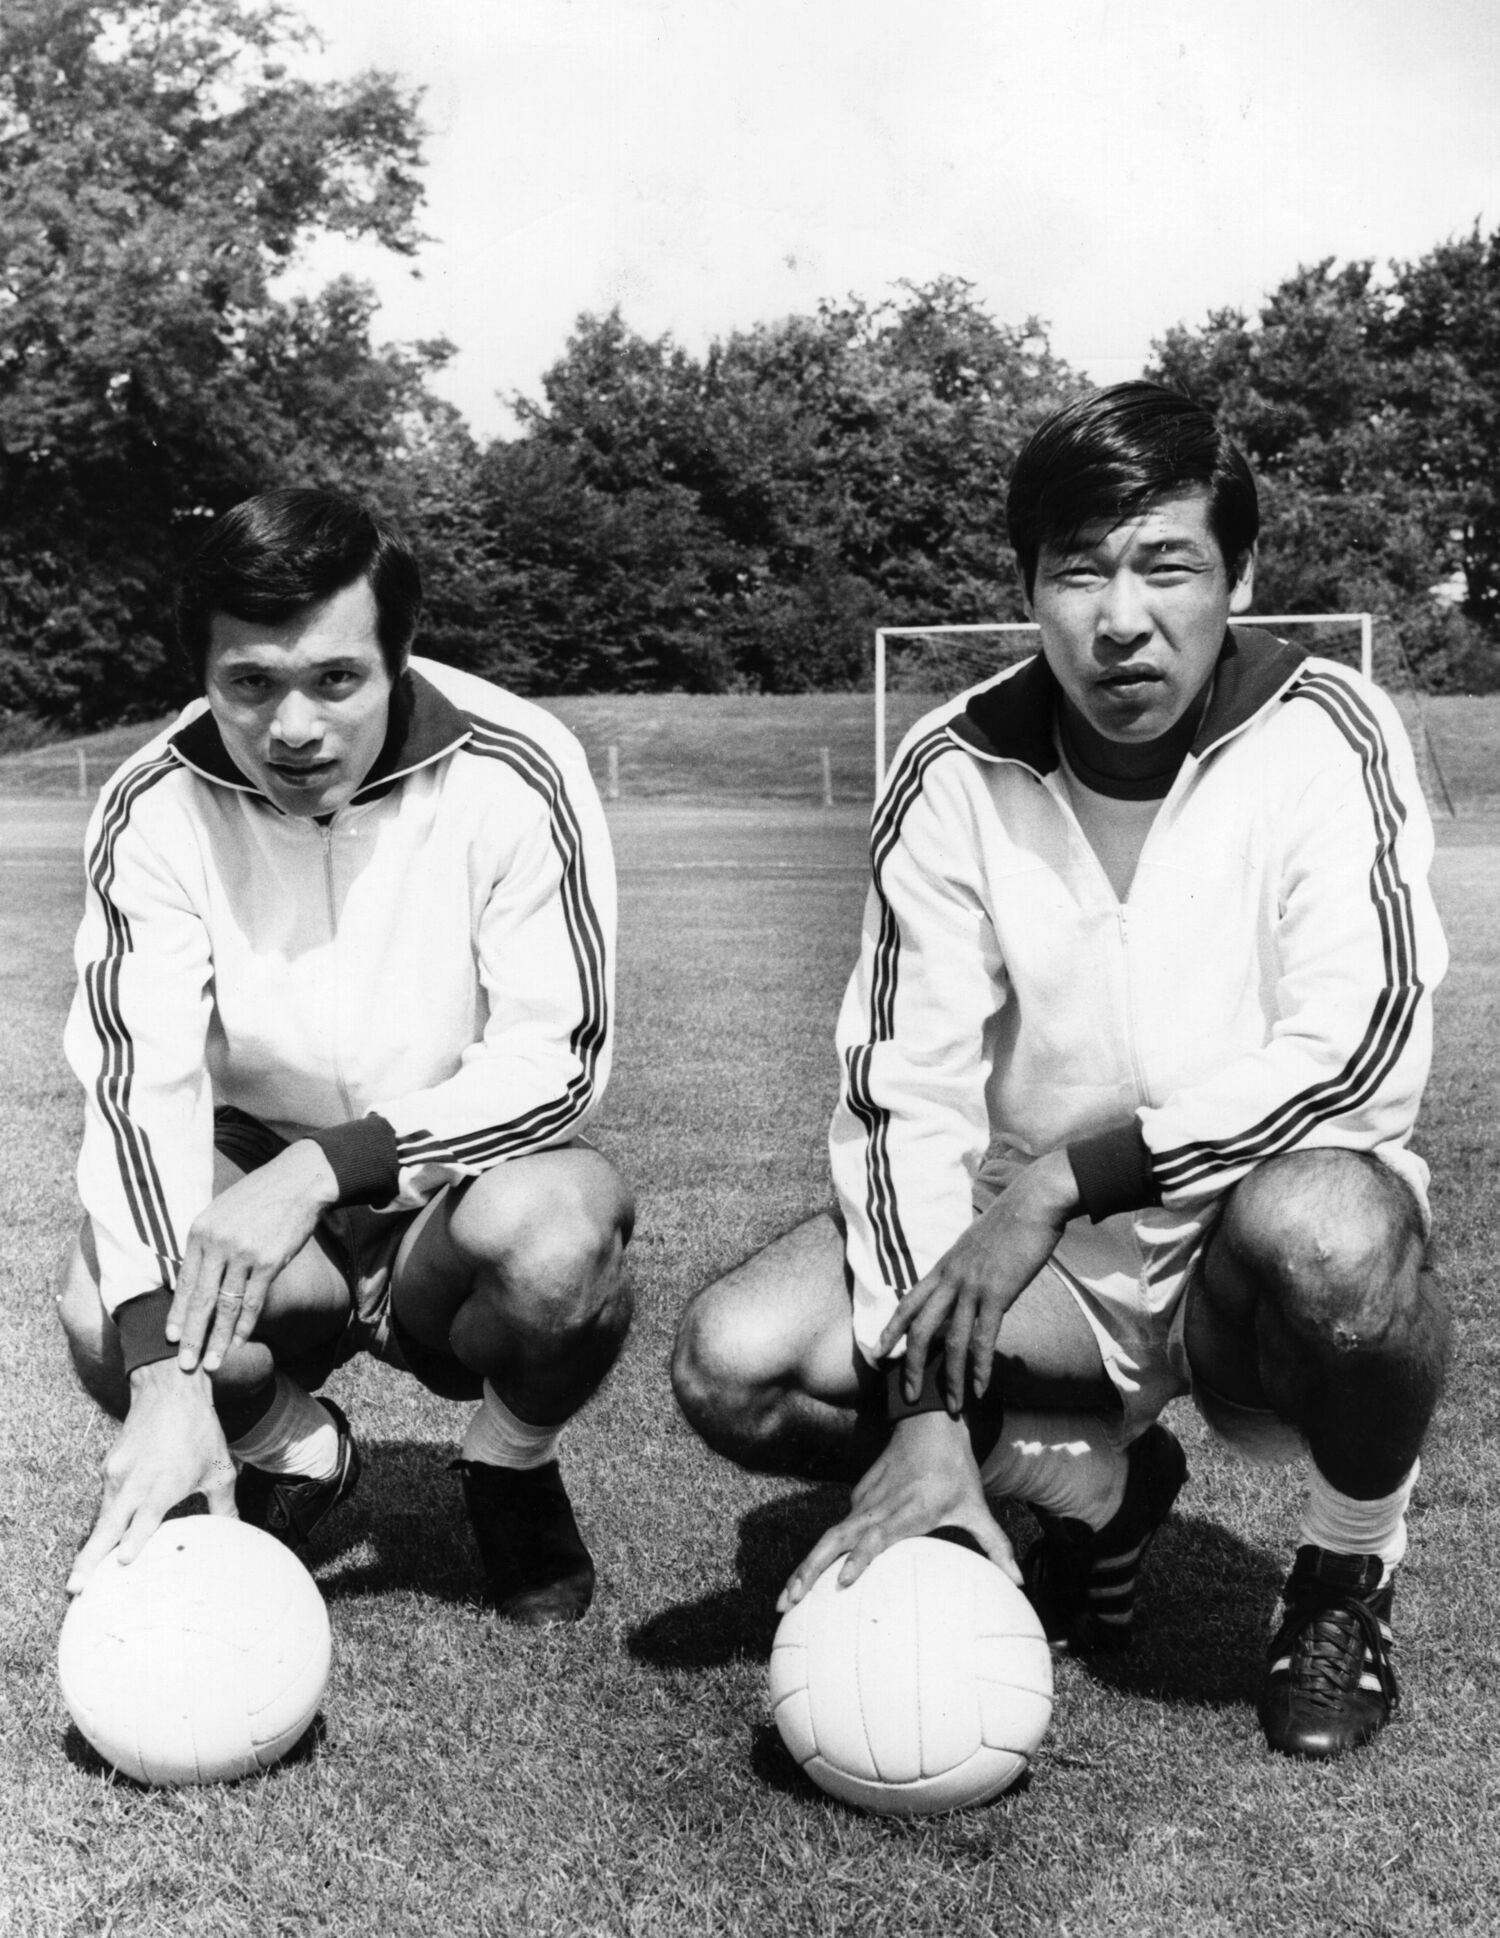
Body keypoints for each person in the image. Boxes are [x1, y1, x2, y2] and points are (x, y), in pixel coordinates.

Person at [672, 382, 1451, 1758]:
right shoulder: (952, 766)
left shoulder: (1332, 728)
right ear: (1029, 587)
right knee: (737, 1359)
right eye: (1077, 571)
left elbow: (1362, 1038)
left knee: (1336, 1235)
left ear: (1240, 575)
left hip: (1249, 1244)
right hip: (1055, 1278)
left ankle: (1343, 1568)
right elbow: (904, 1094)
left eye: (1166, 564)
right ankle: (1095, 1482)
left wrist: (1070, 1178)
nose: (1120, 616)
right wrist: (923, 1407)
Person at [59, 487, 633, 1626]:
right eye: (251, 685)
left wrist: (328, 1167)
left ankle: (510, 1462)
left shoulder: (520, 763)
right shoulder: (154, 804)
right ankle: (297, 1448)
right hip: (263, 1188)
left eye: (335, 679)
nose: (294, 728)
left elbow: (559, 1055)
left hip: (448, 1196)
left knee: (567, 1229)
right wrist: (163, 1375)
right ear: (206, 674)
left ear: (398, 658)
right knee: (98, 1303)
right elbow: (138, 1087)